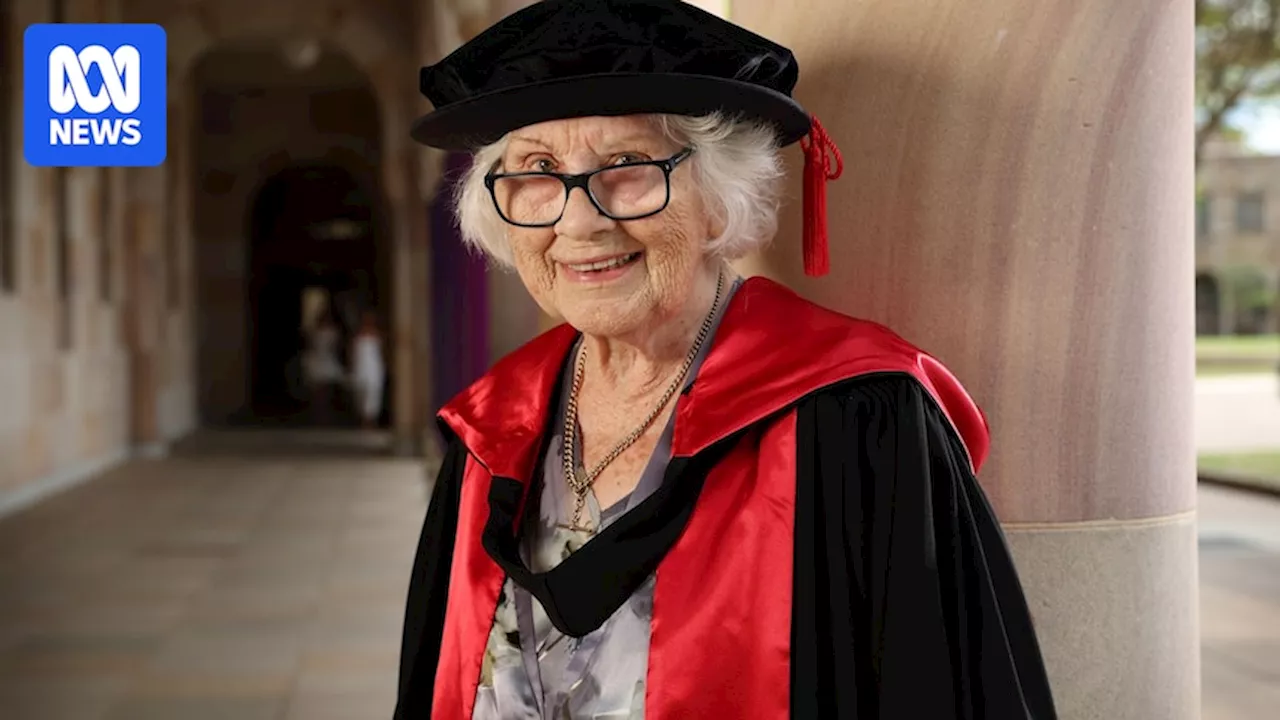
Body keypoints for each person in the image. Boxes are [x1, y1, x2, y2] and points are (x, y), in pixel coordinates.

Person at [395, 1, 1058, 718]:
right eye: (538, 169)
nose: (578, 220)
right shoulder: (492, 429)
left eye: (627, 165)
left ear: (718, 198)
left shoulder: (855, 415)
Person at [303, 305, 345, 423]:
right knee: (317, 391)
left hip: (327, 359)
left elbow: (337, 347)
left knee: (325, 390)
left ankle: (324, 413)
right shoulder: (315, 332)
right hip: (317, 360)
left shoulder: (333, 332)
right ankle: (318, 414)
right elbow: (310, 345)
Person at [349, 309, 386, 429]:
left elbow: (382, 352)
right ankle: (363, 420)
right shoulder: (357, 336)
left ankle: (370, 421)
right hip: (361, 367)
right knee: (361, 393)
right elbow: (352, 353)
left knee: (373, 393)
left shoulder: (378, 335)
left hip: (374, 368)